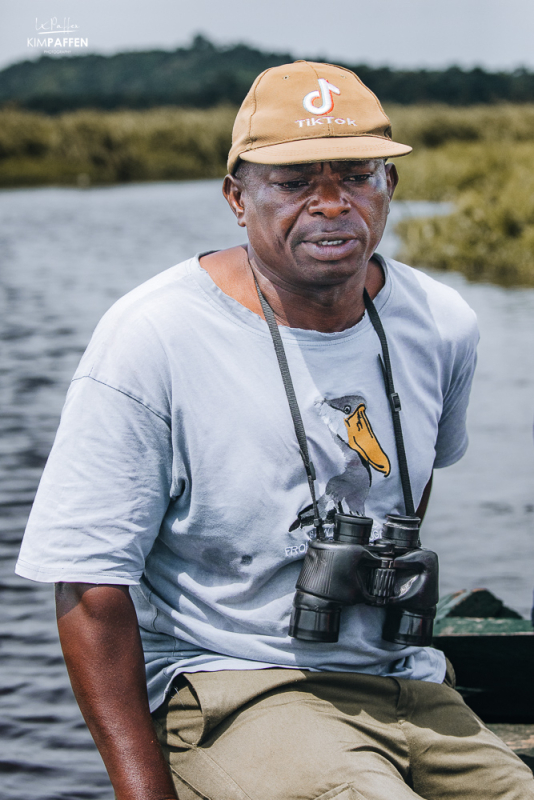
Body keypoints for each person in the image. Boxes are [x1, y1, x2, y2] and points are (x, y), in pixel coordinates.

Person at [16, 61, 534, 800]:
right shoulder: (153, 337)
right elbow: (90, 586)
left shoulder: (441, 323)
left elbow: (408, 498)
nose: (332, 204)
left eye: (357, 174)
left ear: (391, 185)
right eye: (293, 183)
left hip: (410, 685)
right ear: (236, 198)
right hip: (235, 689)